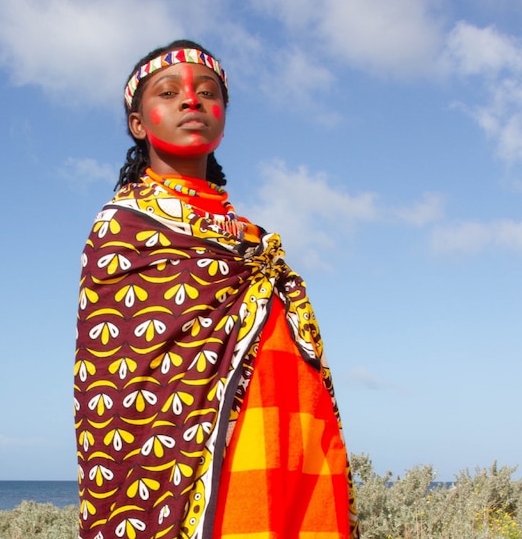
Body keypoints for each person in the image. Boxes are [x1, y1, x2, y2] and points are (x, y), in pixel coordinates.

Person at [74, 39, 359, 539]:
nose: (192, 100)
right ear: (139, 124)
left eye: (208, 93)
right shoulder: (123, 228)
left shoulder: (251, 239)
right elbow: (121, 380)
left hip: (290, 449)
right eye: (169, 92)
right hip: (203, 469)